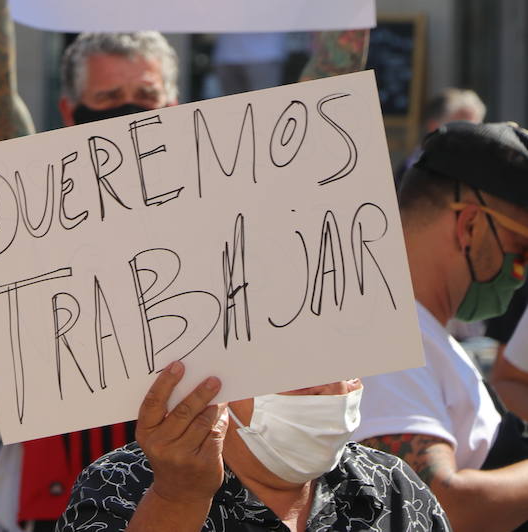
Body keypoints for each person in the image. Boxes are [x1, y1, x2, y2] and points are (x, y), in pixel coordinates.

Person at [0, 0, 400, 530]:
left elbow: (317, 112)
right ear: (68, 112)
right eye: (106, 102)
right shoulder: (46, 205)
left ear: (173, 108)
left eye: (143, 99)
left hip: (204, 490)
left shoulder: (217, 203)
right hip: (65, 498)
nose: (126, 115)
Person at [354, 121, 528, 532]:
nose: (521, 274)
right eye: (522, 252)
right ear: (470, 226)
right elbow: (435, 504)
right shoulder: (384, 332)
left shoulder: (415, 329)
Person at [57, 364, 449, 532]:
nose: (326, 388)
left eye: (342, 364)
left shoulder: (390, 487)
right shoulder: (122, 485)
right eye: (292, 364)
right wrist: (176, 499)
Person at [393, 87, 487, 185]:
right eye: (463, 128)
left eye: (477, 129)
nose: (473, 136)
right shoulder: (414, 173)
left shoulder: (478, 170)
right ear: (434, 128)